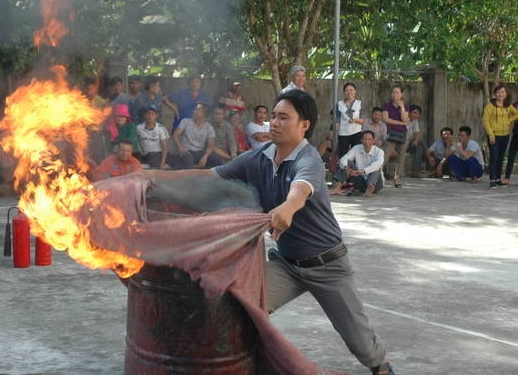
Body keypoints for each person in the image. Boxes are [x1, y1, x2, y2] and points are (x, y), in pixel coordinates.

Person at [141, 89, 394, 375]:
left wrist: (287, 208)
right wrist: (152, 176)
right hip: (286, 265)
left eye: (283, 117)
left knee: (363, 345)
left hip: (327, 266)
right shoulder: (257, 157)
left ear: (304, 125)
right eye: (273, 116)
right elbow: (208, 176)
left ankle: (381, 367)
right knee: (235, 307)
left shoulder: (308, 159)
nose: (274, 122)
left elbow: (301, 190)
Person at [482, 84, 518, 188]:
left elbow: (516, 114)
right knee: (494, 158)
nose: (500, 94)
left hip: (505, 136)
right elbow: (485, 121)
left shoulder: (508, 106)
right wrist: (491, 134)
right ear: (495, 94)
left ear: (506, 94)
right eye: (498, 92)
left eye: (502, 92)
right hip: (494, 136)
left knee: (501, 158)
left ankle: (498, 179)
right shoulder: (490, 106)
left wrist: (509, 120)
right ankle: (492, 179)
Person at [329, 130, 385, 197]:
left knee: (376, 166)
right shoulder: (356, 148)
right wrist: (347, 168)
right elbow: (343, 159)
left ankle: (370, 188)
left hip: (376, 184)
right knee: (346, 162)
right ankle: (338, 187)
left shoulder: (379, 151)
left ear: (373, 141)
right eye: (365, 139)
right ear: (361, 140)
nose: (367, 142)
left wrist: (363, 171)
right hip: (360, 181)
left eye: (369, 139)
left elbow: (379, 163)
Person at [169, 103, 222, 169]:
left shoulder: (209, 127)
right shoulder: (185, 121)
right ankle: (191, 175)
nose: (194, 111)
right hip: (187, 151)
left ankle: (210, 177)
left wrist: (205, 156)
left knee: (217, 159)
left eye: (197, 110)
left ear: (204, 114)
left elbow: (210, 146)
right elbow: (175, 136)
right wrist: (180, 147)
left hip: (200, 152)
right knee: (188, 159)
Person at [382, 85, 410, 188]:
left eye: (398, 93)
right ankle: (376, 177)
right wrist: (400, 123)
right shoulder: (387, 105)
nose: (395, 95)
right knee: (384, 156)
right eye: (393, 92)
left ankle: (397, 178)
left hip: (402, 134)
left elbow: (405, 120)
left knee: (401, 157)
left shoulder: (405, 106)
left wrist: (402, 107)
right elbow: (386, 119)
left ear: (401, 94)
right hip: (391, 133)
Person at [335, 82, 365, 158]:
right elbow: (338, 121)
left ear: (355, 91)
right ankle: (343, 169)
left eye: (351, 90)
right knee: (343, 156)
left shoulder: (360, 103)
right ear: (344, 92)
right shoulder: (339, 104)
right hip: (343, 133)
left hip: (356, 132)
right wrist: (336, 135)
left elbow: (363, 120)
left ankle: (356, 170)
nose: (349, 92)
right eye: (347, 90)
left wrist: (355, 120)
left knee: (357, 156)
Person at [136, 105, 170, 169]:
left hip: (157, 154)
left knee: (153, 157)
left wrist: (162, 162)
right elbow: (136, 142)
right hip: (145, 154)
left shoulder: (160, 128)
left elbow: (164, 147)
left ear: (156, 116)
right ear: (144, 115)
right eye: (148, 113)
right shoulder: (139, 128)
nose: (150, 116)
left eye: (152, 114)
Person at [405, 105, 427, 177]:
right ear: (408, 112)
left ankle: (415, 172)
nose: (416, 115)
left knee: (420, 147)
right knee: (421, 143)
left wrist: (416, 140)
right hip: (400, 146)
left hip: (409, 146)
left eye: (418, 114)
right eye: (414, 113)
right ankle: (428, 158)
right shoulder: (403, 119)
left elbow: (417, 132)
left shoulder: (415, 121)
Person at [504, 99, 518, 184]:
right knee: (511, 156)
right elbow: (508, 115)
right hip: (516, 134)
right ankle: (507, 178)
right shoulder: (515, 104)